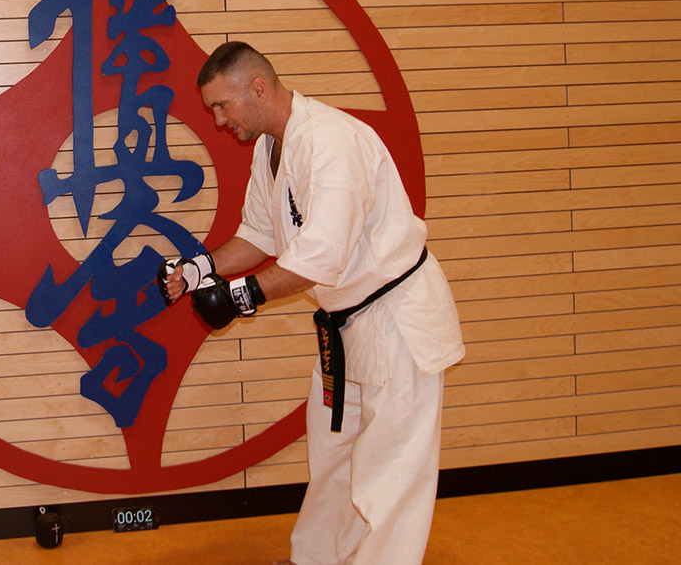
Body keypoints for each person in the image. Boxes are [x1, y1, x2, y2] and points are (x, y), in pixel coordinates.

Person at [160, 41, 465, 565]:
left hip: (395, 319)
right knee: (332, 455)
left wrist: (239, 296)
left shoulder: (331, 142)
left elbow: (320, 259)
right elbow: (259, 235)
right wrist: (199, 269)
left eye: (222, 105)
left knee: (390, 470)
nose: (218, 120)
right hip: (342, 326)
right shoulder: (271, 147)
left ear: (258, 88)